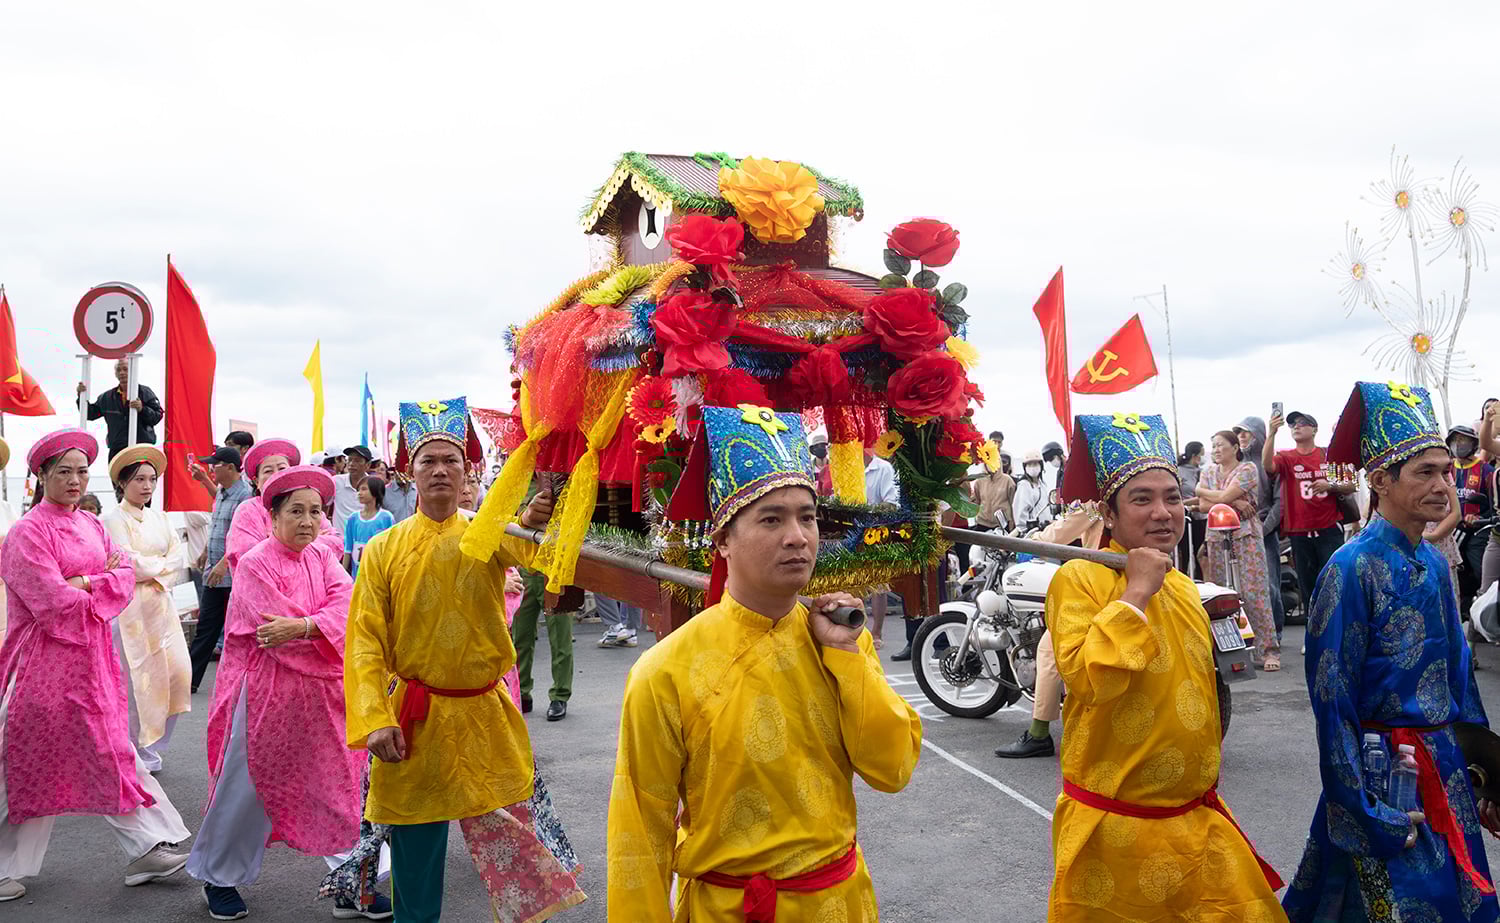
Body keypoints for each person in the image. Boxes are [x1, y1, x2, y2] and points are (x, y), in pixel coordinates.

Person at [607, 403, 922, 920]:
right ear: (723, 540)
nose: (797, 536)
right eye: (771, 519)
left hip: (839, 905)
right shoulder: (664, 671)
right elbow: (639, 835)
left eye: (807, 516)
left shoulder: (841, 638)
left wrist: (846, 657)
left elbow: (893, 769)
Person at [344, 396, 582, 923]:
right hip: (415, 720)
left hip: (483, 717)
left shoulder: (489, 531)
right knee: (416, 862)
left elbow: (541, 554)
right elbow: (363, 640)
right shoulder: (383, 548)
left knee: (516, 856)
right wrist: (375, 719)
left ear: (468, 469)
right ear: (411, 471)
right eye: (428, 460)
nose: (440, 470)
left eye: (451, 460)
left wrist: (536, 519)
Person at [1044, 412, 1284, 920]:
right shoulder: (1079, 579)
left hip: (1199, 824)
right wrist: (1135, 592)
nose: (1162, 513)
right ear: (1107, 515)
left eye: (1172, 498)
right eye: (1142, 499)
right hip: (1118, 834)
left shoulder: (1180, 583)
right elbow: (1093, 682)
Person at [1283, 381, 1500, 922]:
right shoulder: (1350, 568)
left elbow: (1460, 677)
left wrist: (1485, 775)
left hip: (1446, 768)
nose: (1442, 485)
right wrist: (1362, 807)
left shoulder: (1432, 562)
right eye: (1424, 472)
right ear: (1380, 480)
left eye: (1446, 471)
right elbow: (1332, 700)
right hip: (1386, 776)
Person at [187, 465, 390, 921]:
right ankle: (219, 876)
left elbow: (347, 605)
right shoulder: (256, 562)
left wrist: (306, 626)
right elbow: (269, 630)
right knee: (247, 787)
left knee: (335, 783)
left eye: (315, 511)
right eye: (295, 511)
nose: (307, 520)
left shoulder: (322, 557)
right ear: (273, 516)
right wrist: (315, 626)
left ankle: (355, 880)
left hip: (321, 692)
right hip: (261, 693)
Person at [0, 428, 191, 903]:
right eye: (62, 471)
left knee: (109, 748)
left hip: (90, 658)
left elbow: (124, 576)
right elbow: (51, 600)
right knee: (24, 759)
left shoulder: (92, 525)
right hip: (40, 665)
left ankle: (148, 844)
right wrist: (97, 580)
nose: (73, 479)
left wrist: (84, 581)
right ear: (40, 475)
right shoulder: (27, 533)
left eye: (81, 471)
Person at [100, 445, 193, 773]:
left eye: (152, 479)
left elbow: (178, 557)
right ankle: (132, 752)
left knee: (178, 675)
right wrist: (158, 568)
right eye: (139, 479)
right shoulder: (111, 519)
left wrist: (153, 569)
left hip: (162, 608)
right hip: (128, 612)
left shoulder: (160, 517)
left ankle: (154, 748)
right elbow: (126, 563)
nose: (147, 485)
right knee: (137, 680)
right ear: (122, 484)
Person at [994, 502, 1105, 759]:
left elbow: (1060, 533)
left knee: (1048, 648)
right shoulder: (1129, 485)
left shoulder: (1094, 501)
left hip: (1100, 585)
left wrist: (1029, 542)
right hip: (1137, 580)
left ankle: (1039, 733)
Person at [1197, 430, 1281, 670]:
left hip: (1246, 537)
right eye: (1212, 446)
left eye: (1220, 445)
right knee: (1221, 594)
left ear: (1235, 448)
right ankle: (1229, 654)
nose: (1215, 450)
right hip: (1216, 536)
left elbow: (1218, 496)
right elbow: (1203, 504)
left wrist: (1209, 493)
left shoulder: (1247, 469)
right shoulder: (1208, 471)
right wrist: (1234, 501)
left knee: (1254, 592)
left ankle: (1268, 652)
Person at [1264, 409, 1351, 613]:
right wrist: (1271, 433)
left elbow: (1351, 484)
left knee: (1334, 581)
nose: (1296, 426)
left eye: (1302, 423)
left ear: (1314, 429)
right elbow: (1267, 465)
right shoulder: (1286, 456)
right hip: (1299, 531)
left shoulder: (1327, 453)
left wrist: (1330, 484)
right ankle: (1313, 634)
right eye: (1293, 424)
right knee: (1307, 586)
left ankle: (1337, 629)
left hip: (1329, 528)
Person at [225, 438, 343, 579]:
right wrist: (309, 540)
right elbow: (248, 556)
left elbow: (337, 544)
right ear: (257, 481)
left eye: (282, 469)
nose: (276, 474)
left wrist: (275, 540)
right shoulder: (247, 510)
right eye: (268, 471)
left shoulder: (307, 504)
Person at [189, 445, 251, 695]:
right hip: (214, 573)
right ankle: (191, 681)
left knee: (237, 629)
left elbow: (243, 536)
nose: (211, 468)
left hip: (232, 574)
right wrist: (205, 551)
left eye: (215, 464)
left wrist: (225, 562)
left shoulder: (245, 496)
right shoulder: (223, 493)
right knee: (207, 625)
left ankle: (240, 680)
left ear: (230, 467)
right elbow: (217, 527)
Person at [1234, 416, 1288, 636]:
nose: (1242, 436)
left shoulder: (1270, 464)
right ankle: (1249, 633)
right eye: (1238, 433)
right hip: (1236, 533)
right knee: (1241, 586)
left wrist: (1263, 529)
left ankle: (1274, 631)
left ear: (1258, 434)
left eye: (1246, 432)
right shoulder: (1235, 465)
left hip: (1264, 532)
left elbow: (1280, 502)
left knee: (1269, 584)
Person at [512, 560, 575, 721]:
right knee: (520, 638)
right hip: (526, 573)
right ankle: (521, 693)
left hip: (558, 573)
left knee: (561, 639)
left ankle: (560, 696)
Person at [77, 359, 164, 459]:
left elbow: (158, 416)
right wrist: (81, 396)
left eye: (125, 369)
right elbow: (89, 414)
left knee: (142, 475)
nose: (122, 372)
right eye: (118, 370)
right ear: (115, 373)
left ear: (133, 371)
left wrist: (142, 409)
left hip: (142, 447)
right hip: (117, 449)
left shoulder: (145, 392)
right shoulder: (107, 397)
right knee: (117, 475)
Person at [863, 446, 901, 648]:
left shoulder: (883, 468)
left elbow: (891, 503)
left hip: (878, 530)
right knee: (853, 584)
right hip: (851, 530)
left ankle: (877, 632)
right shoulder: (843, 466)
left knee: (879, 585)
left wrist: (866, 511)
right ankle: (858, 630)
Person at [966, 447, 1016, 569]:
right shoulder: (979, 481)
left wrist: (1012, 524)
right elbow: (976, 501)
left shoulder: (1008, 481)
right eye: (987, 461)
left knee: (1001, 560)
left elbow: (1013, 503)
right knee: (978, 557)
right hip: (982, 524)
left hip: (1001, 526)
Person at [344, 476, 394, 577]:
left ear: (375, 491)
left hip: (378, 574)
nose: (359, 493)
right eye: (358, 490)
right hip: (357, 576)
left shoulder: (386, 518)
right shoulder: (353, 518)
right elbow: (348, 549)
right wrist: (343, 574)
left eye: (364, 489)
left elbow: (391, 549)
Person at [1176, 441, 1207, 578]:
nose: (1203, 458)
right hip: (1183, 517)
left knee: (1200, 553)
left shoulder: (1202, 472)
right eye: (1201, 455)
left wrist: (1188, 503)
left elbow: (1203, 495)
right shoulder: (1178, 470)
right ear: (1194, 455)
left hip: (1200, 516)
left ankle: (1201, 580)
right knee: (1184, 551)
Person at [190, 431, 255, 496]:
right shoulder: (225, 468)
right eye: (226, 445)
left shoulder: (251, 472)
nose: (226, 448)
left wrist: (204, 479)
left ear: (245, 448)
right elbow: (220, 497)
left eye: (231, 445)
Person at [333, 446, 373, 535]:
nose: (351, 464)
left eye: (357, 461)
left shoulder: (374, 486)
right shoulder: (336, 482)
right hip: (340, 542)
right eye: (349, 460)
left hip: (364, 541)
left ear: (368, 465)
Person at [1013, 450, 1053, 532]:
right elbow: (1020, 511)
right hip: (1032, 531)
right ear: (1025, 467)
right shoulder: (1024, 485)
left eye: (1035, 464)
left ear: (1041, 466)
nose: (1032, 467)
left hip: (1044, 528)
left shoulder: (1042, 484)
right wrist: (1025, 530)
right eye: (1029, 465)